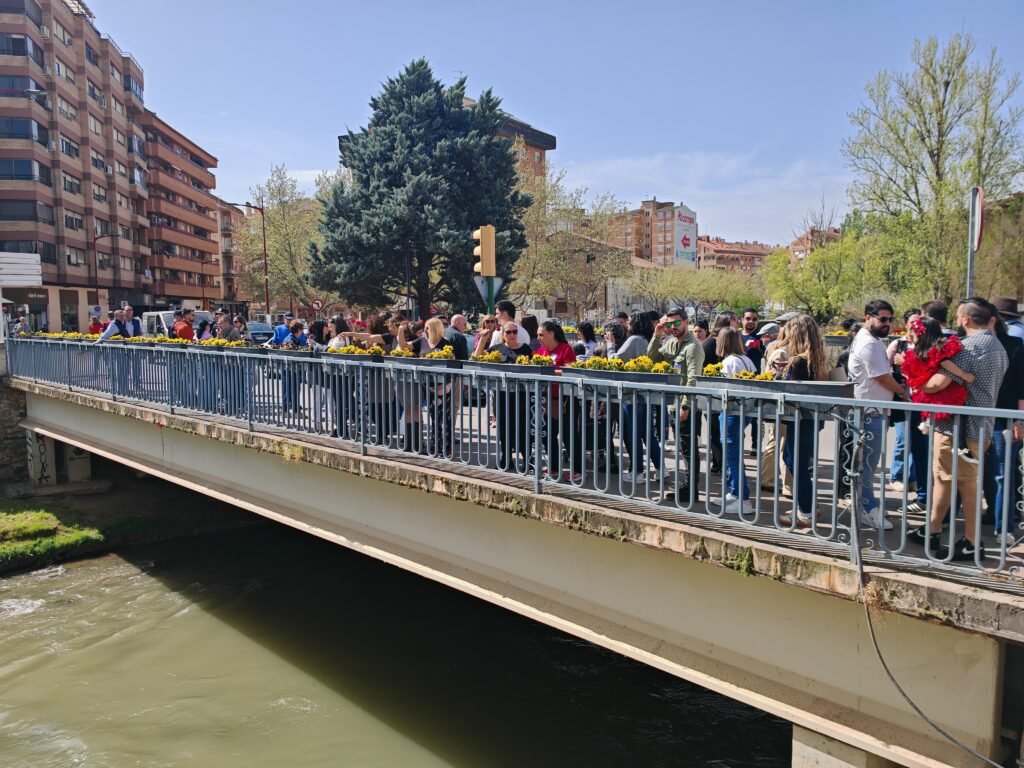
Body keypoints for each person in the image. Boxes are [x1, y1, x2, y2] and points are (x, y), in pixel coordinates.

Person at [912, 300, 1007, 560]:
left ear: (965, 319)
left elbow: (935, 384)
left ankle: (971, 543)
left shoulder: (969, 348)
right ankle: (931, 530)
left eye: (957, 316)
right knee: (947, 480)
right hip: (978, 427)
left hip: (959, 430)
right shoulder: (997, 345)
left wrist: (919, 379)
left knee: (964, 485)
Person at [847, 300, 904, 531]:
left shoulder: (871, 340)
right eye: (882, 319)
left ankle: (865, 504)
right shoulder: (869, 343)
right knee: (866, 464)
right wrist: (903, 393)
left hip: (872, 409)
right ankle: (866, 507)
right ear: (868, 317)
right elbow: (882, 376)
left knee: (867, 463)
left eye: (890, 319)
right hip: (868, 412)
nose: (887, 323)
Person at [773, 315, 830, 526]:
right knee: (797, 462)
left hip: (799, 417)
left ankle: (806, 512)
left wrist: (779, 373)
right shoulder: (817, 358)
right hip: (811, 418)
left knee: (795, 462)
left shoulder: (798, 361)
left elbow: (789, 388)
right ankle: (806, 505)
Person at [647, 308, 705, 500]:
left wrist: (686, 406)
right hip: (673, 404)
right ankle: (687, 489)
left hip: (685, 405)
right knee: (683, 448)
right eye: (669, 324)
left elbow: (692, 379)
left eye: (676, 323)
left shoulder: (693, 347)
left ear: (686, 322)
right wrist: (657, 335)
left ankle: (691, 491)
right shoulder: (672, 344)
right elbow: (652, 358)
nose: (672, 327)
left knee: (689, 450)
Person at [901, 316, 975, 460]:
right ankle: (960, 445)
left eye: (915, 333)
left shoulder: (934, 349)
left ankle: (958, 444)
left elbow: (942, 363)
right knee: (956, 415)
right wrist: (964, 375)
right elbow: (943, 364)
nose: (911, 335)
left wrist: (963, 375)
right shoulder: (929, 349)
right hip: (939, 392)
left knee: (947, 415)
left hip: (939, 392)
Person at [714, 327, 756, 515]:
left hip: (732, 410)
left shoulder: (729, 362)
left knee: (732, 453)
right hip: (745, 410)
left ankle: (742, 497)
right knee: (733, 452)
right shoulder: (746, 360)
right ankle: (734, 493)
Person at [538, 321, 582, 481]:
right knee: (547, 434)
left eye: (541, 334)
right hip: (546, 399)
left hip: (565, 399)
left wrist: (550, 372)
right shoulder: (541, 351)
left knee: (569, 435)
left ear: (552, 334)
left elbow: (571, 371)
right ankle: (554, 467)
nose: (539, 338)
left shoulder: (565, 349)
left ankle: (577, 470)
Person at [886, 309, 922, 495]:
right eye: (912, 322)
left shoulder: (925, 343)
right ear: (906, 323)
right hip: (902, 397)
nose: (915, 326)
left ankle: (913, 477)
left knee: (919, 438)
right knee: (902, 438)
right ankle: (896, 476)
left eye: (919, 322)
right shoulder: (897, 344)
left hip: (921, 398)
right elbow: (884, 366)